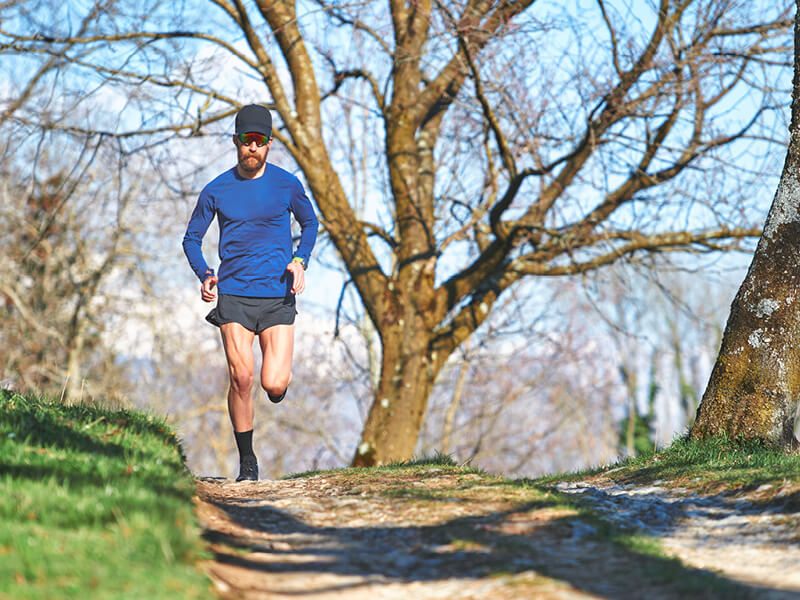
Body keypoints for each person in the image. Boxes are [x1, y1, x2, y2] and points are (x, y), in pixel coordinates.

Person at [182, 104, 318, 482]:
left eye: (259, 141)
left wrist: (299, 261)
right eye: (246, 140)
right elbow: (192, 238)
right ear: (236, 142)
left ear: (270, 144)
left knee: (273, 383)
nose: (252, 147)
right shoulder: (217, 189)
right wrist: (206, 273)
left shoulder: (287, 184)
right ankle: (247, 462)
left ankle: (275, 388)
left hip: (277, 295)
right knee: (241, 378)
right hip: (235, 296)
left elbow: (310, 223)